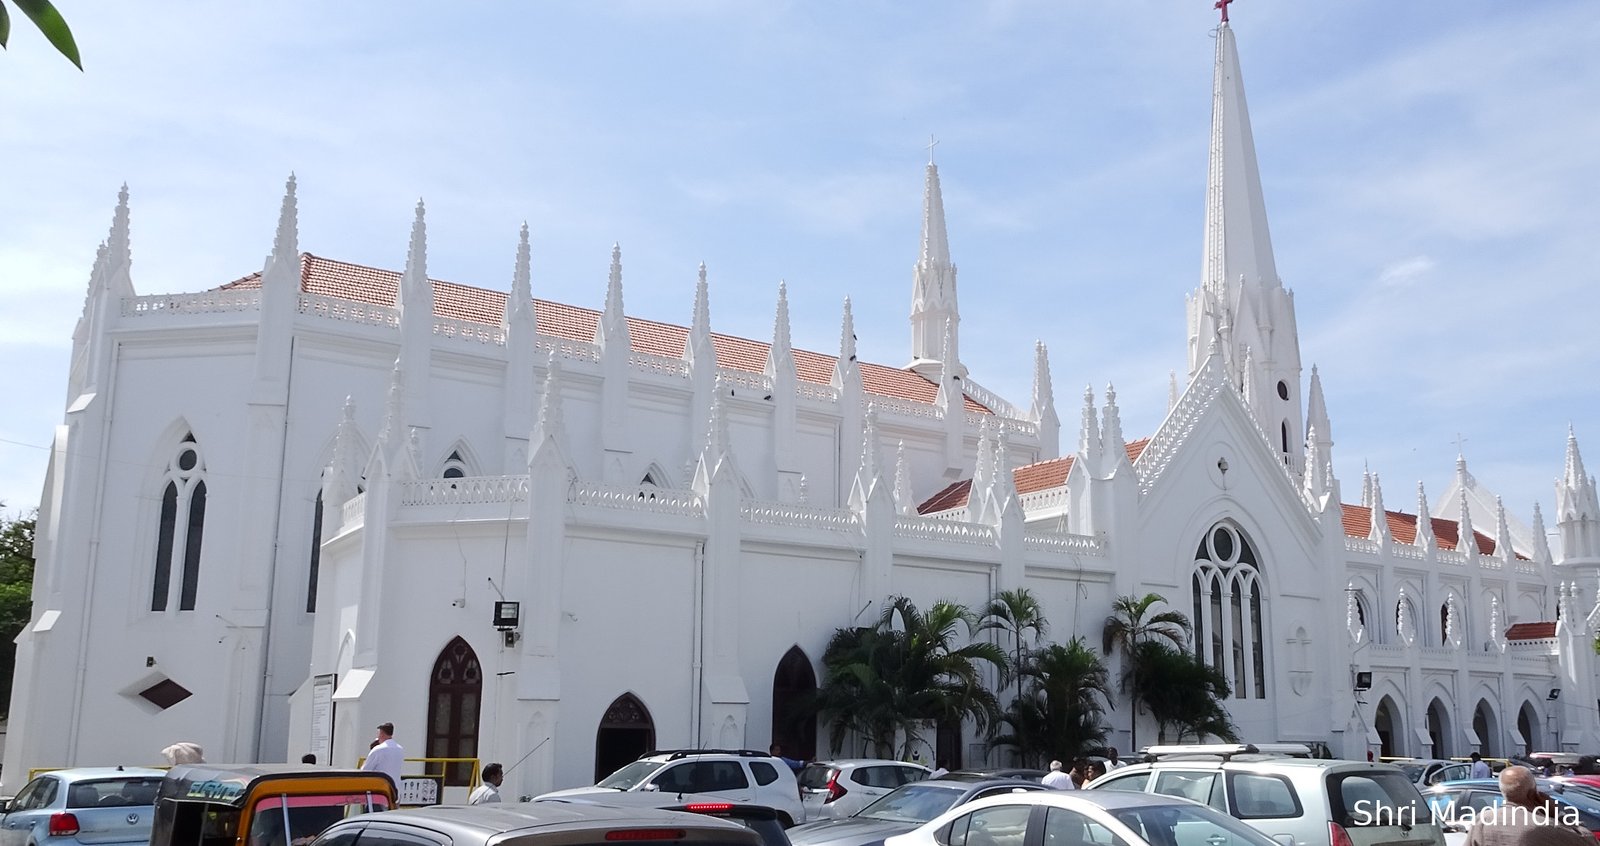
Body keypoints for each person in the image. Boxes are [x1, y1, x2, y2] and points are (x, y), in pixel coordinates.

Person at [1465, 766, 1591, 846]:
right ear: (1533, 794)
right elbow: (1589, 841)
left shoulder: (1483, 819)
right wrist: (1558, 814)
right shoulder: (1544, 825)